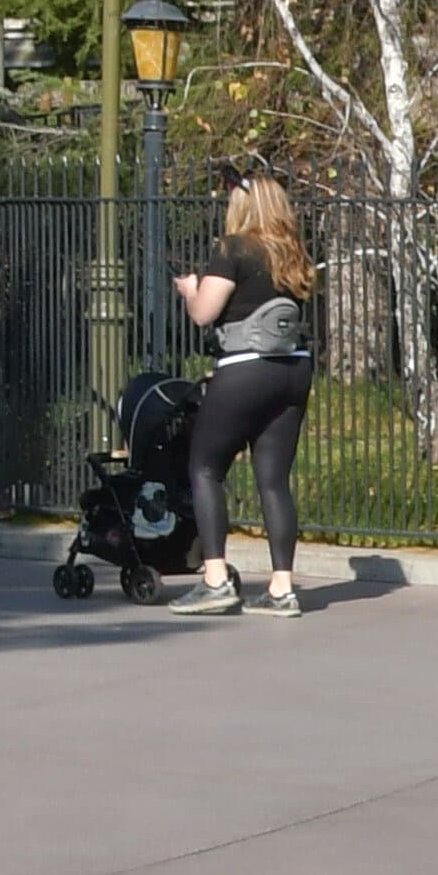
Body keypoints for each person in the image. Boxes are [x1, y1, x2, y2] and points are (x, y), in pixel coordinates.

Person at [170, 178, 317, 613]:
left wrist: (190, 291)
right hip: (293, 369)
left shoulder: (233, 249)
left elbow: (204, 314)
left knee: (205, 467)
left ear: (243, 208)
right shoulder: (293, 254)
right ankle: (282, 589)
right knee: (273, 479)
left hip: (244, 367)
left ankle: (215, 580)